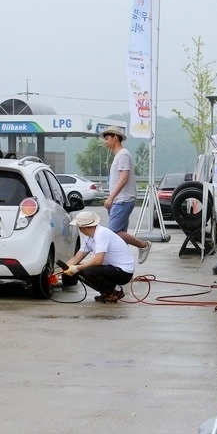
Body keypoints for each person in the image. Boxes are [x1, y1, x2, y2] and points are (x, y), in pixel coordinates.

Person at [57, 209, 135, 303]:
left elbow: (98, 260)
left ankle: (116, 290)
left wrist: (77, 268)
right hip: (112, 269)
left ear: (82, 227)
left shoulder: (101, 233)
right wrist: (62, 271)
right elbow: (77, 258)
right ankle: (107, 292)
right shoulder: (89, 238)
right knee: (80, 270)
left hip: (123, 272)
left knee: (89, 271)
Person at [100, 125, 150, 263]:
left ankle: (143, 245)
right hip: (119, 201)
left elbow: (124, 178)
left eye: (107, 138)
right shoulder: (119, 156)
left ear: (115, 138)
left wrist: (111, 197)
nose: (105, 142)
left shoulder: (123, 155)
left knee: (112, 233)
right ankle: (123, 263)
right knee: (119, 236)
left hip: (123, 200)